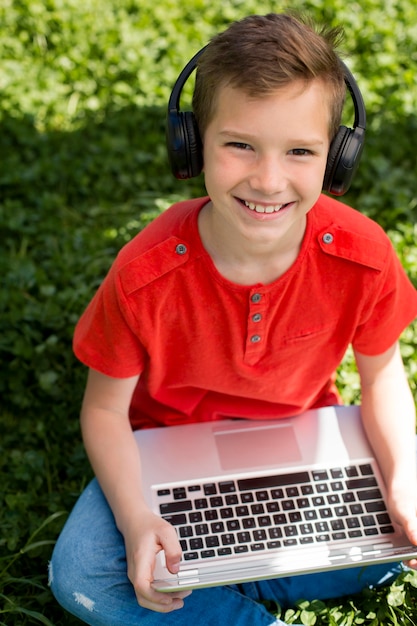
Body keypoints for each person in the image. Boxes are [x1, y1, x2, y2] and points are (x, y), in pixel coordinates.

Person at [49, 12, 417, 626]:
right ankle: (251, 597)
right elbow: (105, 411)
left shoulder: (363, 255)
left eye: (300, 151)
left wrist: (403, 478)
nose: (268, 180)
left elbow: (381, 378)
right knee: (84, 573)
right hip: (164, 456)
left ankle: (219, 577)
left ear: (338, 158)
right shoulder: (146, 273)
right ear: (192, 144)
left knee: (399, 531)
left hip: (303, 446)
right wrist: (140, 521)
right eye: (240, 144)